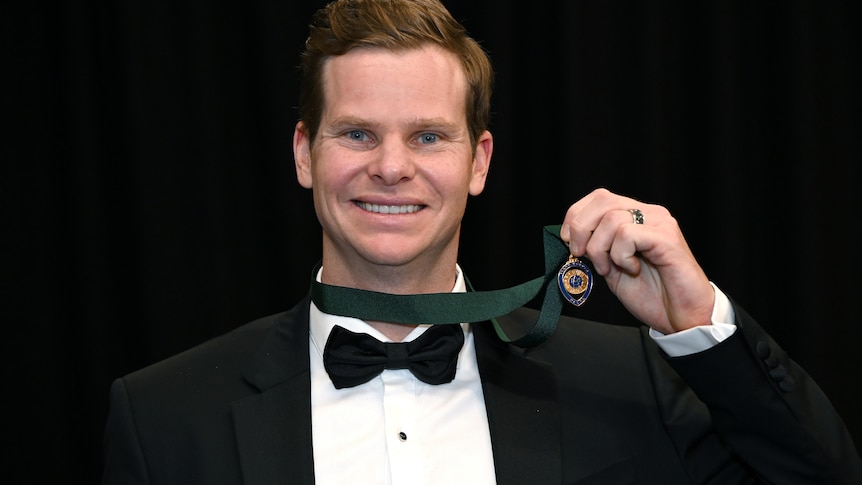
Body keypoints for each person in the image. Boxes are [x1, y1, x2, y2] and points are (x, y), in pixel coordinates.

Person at [102, 0, 862, 483]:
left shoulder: (627, 384)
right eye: (358, 133)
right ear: (304, 153)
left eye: (429, 135)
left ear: (479, 161)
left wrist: (698, 322)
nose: (391, 167)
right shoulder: (166, 416)